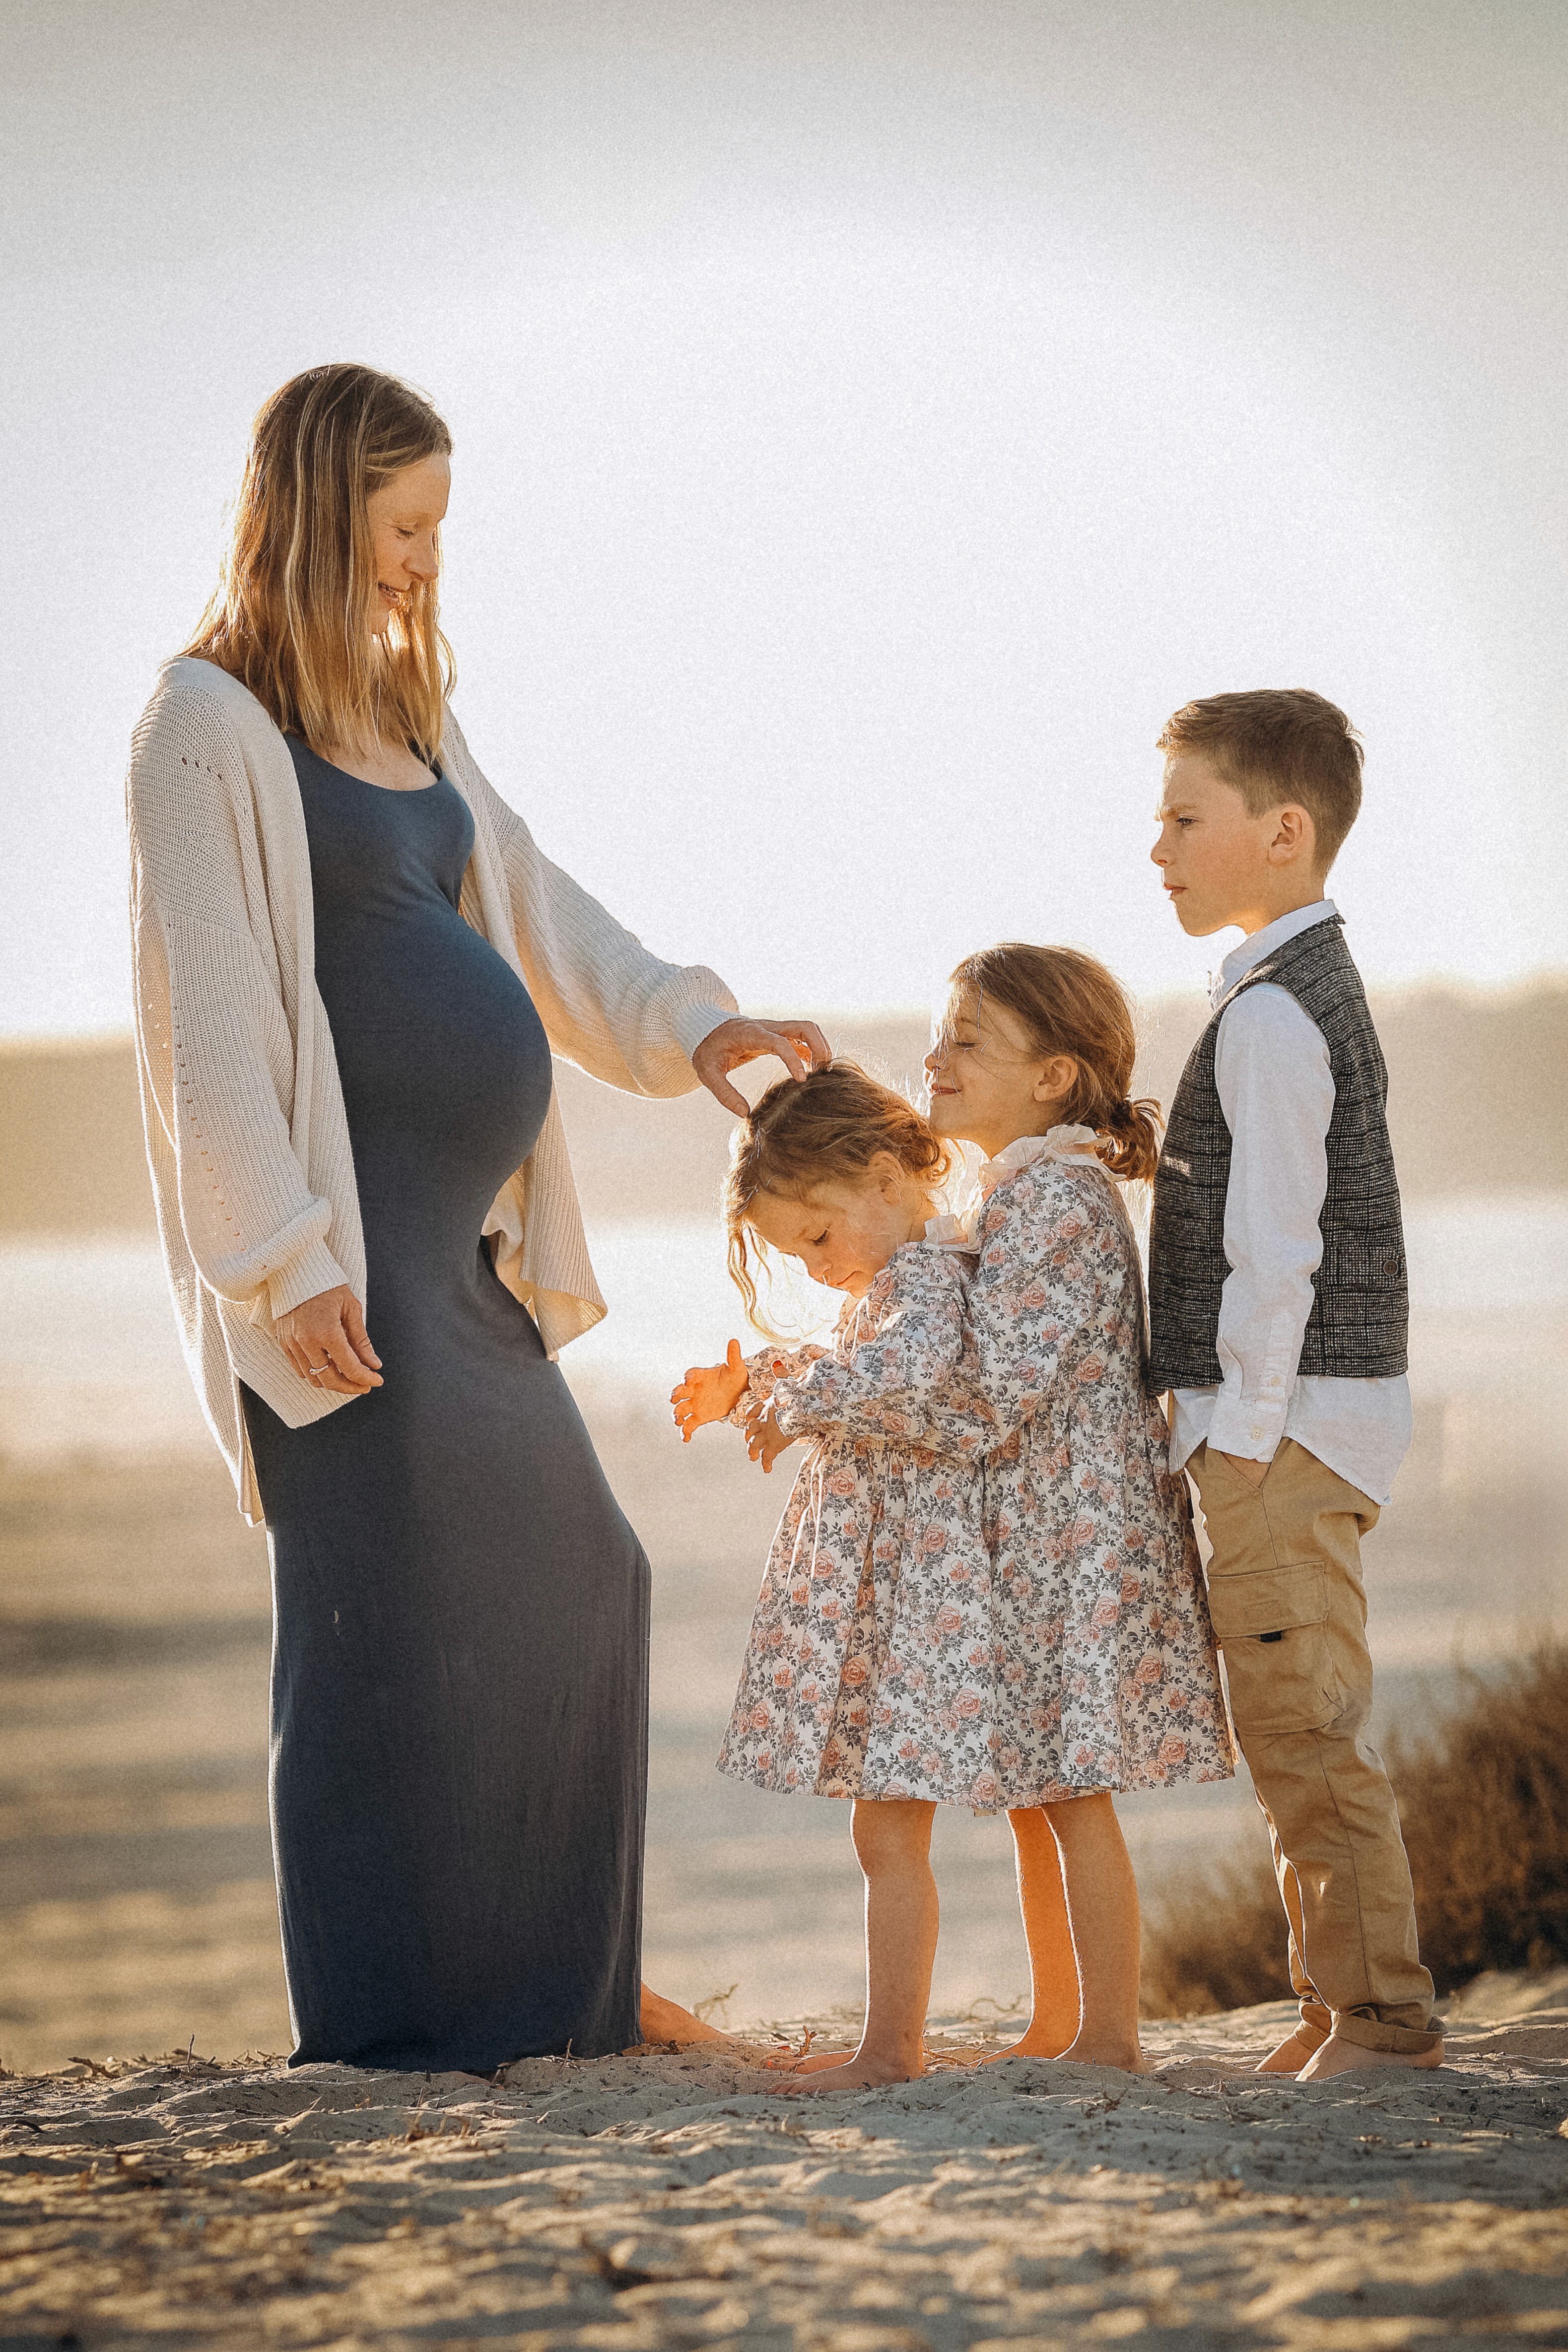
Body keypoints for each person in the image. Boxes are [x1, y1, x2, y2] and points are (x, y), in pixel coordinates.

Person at [126, 361, 827, 2072]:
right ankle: (391, 2030)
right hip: (342, 1274)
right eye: (404, 526)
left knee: (584, 1578)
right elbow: (201, 1022)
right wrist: (280, 1263)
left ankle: (559, 2008)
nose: (425, 560)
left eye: (439, 529)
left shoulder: (409, 709)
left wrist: (689, 1018)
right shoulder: (205, 723)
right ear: (315, 510)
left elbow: (529, 899)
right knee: (373, 1655)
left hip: (459, 1262)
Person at [1148, 688, 1442, 2081]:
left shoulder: (1274, 1017)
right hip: (1304, 1423)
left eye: (1184, 817)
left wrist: (1243, 1437)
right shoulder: (1280, 996)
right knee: (1289, 1718)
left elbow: (1280, 1252)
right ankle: (1339, 2000)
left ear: (1283, 831)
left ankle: (1381, 2017)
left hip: (1287, 1429)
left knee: (1303, 1723)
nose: (1159, 846)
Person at [921, 946, 1233, 2072]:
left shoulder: (1052, 1197)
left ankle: (1105, 2031)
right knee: (1032, 1788)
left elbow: (996, 1379)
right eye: (941, 1034)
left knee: (1071, 1791)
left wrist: (864, 1394)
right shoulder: (1017, 1188)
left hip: (1076, 1539)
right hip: (1041, 1529)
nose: (936, 1057)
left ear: (1054, 1077)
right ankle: (1055, 2019)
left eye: (967, 1040)